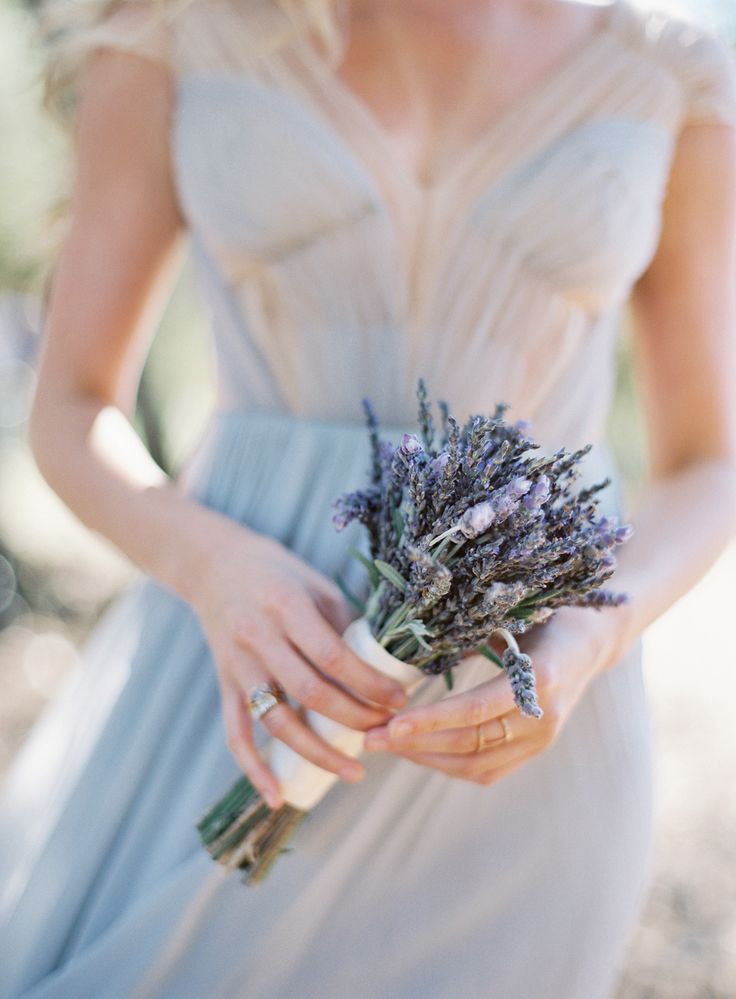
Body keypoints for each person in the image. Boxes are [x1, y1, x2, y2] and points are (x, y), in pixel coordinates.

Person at [1, 0, 735, 995]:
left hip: (522, 722)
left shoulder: (670, 72)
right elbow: (72, 407)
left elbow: (706, 460)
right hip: (241, 672)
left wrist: (588, 643)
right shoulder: (175, 30)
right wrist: (210, 566)